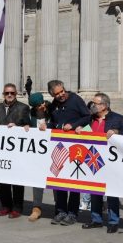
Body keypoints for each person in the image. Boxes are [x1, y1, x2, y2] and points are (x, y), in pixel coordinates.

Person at [81, 93, 123, 233]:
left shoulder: (119, 119)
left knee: (111, 193)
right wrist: (78, 129)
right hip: (93, 159)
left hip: (111, 162)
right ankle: (96, 219)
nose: (92, 106)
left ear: (103, 106)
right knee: (94, 192)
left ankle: (113, 221)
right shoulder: (90, 119)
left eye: (95, 103)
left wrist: (116, 131)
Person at [46, 79, 91, 225]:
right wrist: (46, 127)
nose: (61, 95)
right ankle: (60, 211)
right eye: (57, 93)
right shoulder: (54, 105)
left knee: (73, 182)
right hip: (59, 146)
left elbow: (87, 116)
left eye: (62, 91)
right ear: (52, 94)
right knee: (59, 181)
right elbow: (53, 122)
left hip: (75, 146)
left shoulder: (75, 99)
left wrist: (74, 125)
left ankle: (72, 213)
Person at [0, 83, 32, 217]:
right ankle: (5, 205)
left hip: (16, 151)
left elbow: (29, 127)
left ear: (16, 94)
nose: (9, 95)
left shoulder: (23, 108)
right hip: (1, 149)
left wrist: (17, 127)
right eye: (7, 93)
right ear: (3, 94)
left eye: (12, 93)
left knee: (16, 180)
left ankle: (17, 207)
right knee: (2, 179)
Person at [26, 92, 50, 221]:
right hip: (37, 152)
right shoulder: (31, 115)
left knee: (56, 180)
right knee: (37, 180)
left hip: (53, 150)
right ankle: (36, 207)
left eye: (42, 104)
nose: (41, 107)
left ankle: (59, 208)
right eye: (38, 106)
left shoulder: (52, 111)